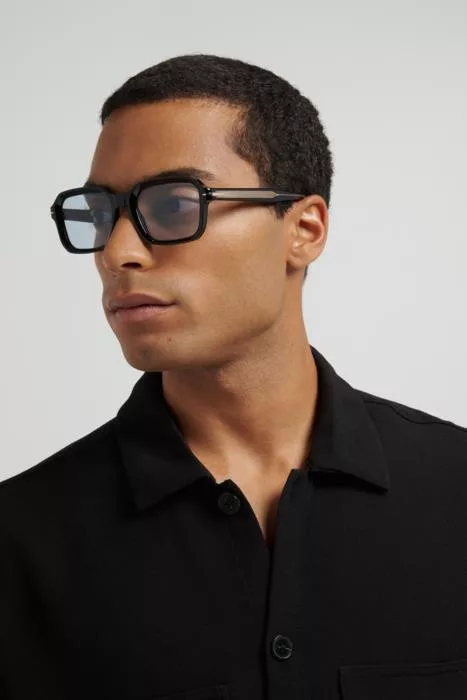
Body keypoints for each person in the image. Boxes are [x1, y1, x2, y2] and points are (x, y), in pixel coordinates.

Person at [1, 53, 466, 700]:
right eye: (101, 214)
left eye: (173, 205)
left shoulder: (454, 489)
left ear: (303, 229)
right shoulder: (22, 538)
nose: (117, 252)